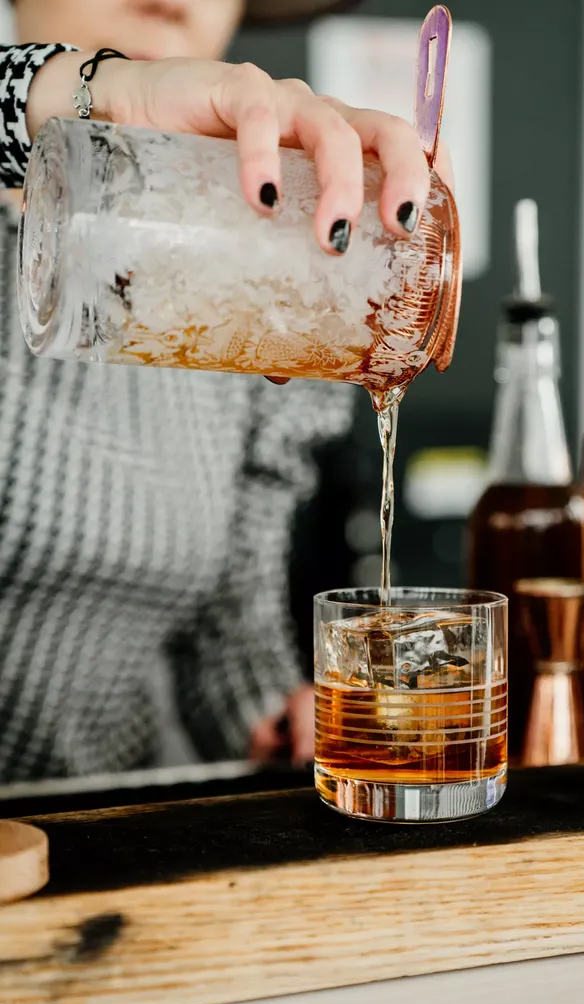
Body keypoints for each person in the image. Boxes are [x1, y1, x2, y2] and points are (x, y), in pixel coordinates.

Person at [0, 0, 443, 782]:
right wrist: (94, 96)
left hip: (108, 847)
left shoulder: (259, 286)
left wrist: (275, 716)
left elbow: (228, 629)